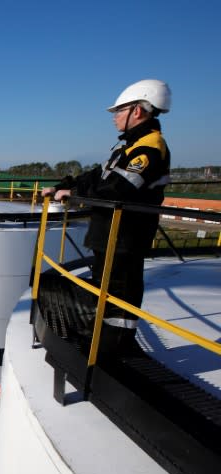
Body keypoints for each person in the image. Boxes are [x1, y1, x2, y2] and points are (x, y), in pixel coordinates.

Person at [42, 79, 172, 356]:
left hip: (126, 235)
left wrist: (73, 196)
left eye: (119, 111)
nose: (114, 117)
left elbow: (117, 188)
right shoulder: (128, 147)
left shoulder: (148, 148)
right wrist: (63, 187)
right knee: (106, 290)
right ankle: (102, 341)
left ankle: (113, 351)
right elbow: (95, 177)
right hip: (111, 234)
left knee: (119, 295)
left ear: (137, 111)